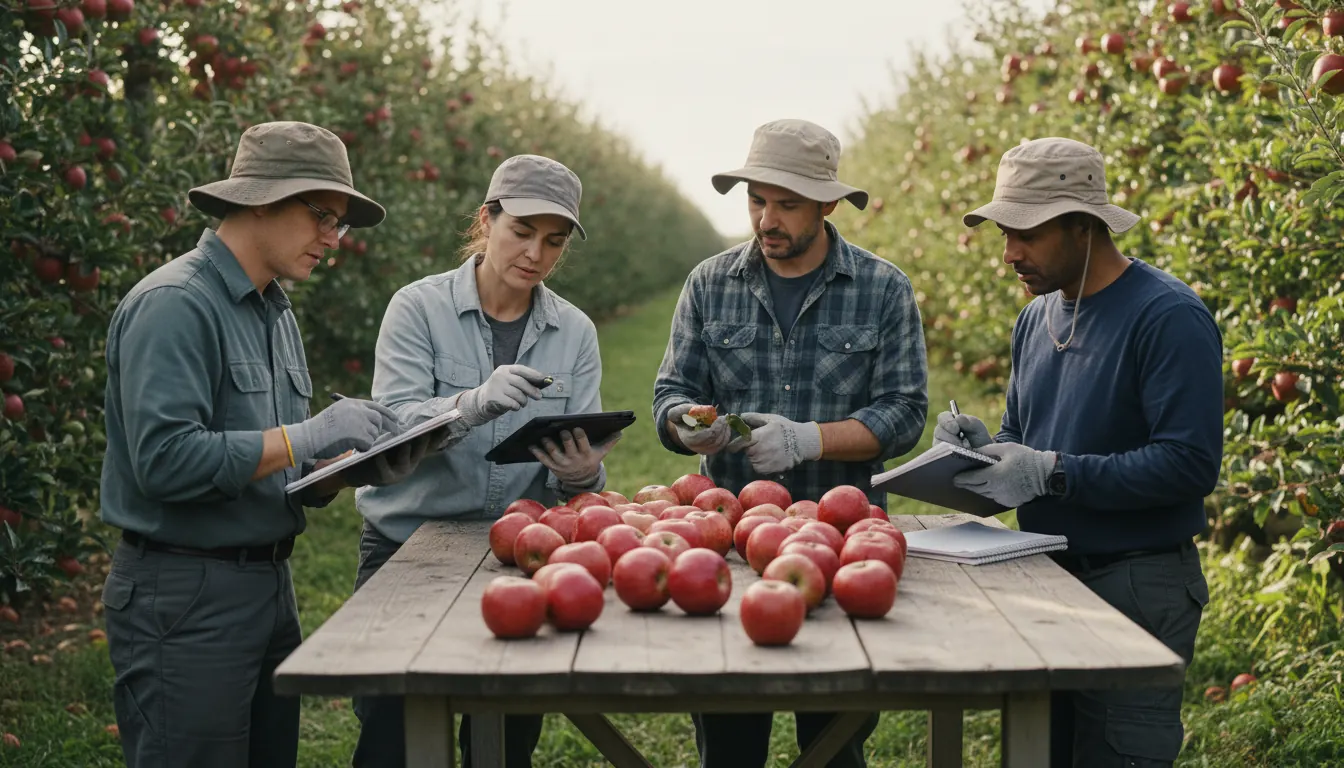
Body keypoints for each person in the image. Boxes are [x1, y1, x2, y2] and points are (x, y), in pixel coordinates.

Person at [99, 121, 438, 768]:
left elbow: (277, 462)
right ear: (259, 198)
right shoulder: (176, 305)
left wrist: (348, 468)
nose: (334, 240)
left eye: (341, 224)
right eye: (322, 217)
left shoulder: (275, 313)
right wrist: (307, 434)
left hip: (267, 585)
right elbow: (164, 464)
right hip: (185, 593)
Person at [652, 119, 929, 768]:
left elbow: (905, 412)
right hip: (729, 546)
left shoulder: (882, 290)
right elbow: (670, 394)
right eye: (756, 200)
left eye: (787, 203)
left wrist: (810, 441)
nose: (766, 218)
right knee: (728, 741)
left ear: (829, 204)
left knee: (833, 741)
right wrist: (688, 425)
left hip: (842, 545)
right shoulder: (709, 284)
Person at [937, 137, 1221, 767]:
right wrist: (987, 452)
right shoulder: (1035, 319)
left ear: (1083, 225)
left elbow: (1190, 463)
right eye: (1003, 234)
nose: (1009, 253)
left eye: (1027, 234)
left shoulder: (1166, 315)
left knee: (1117, 755)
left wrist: (1052, 473)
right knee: (1040, 752)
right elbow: (1022, 433)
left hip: (1136, 581)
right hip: (1046, 577)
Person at [350, 154, 621, 768]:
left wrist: (582, 474)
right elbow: (388, 433)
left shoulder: (574, 332)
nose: (535, 253)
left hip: (521, 554)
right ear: (487, 219)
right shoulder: (417, 309)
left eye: (553, 241)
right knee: (392, 734)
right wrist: (469, 406)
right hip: (408, 547)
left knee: (503, 743)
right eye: (521, 232)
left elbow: (579, 474)